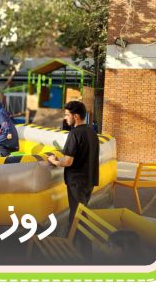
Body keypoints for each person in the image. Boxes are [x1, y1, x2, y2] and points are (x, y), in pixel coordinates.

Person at [47, 101, 99, 258]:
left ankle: (87, 254)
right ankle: (71, 246)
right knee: (76, 215)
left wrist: (54, 161)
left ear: (75, 116)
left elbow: (68, 161)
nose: (65, 118)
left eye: (67, 115)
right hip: (89, 180)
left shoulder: (75, 134)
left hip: (77, 182)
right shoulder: (91, 131)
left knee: (78, 217)